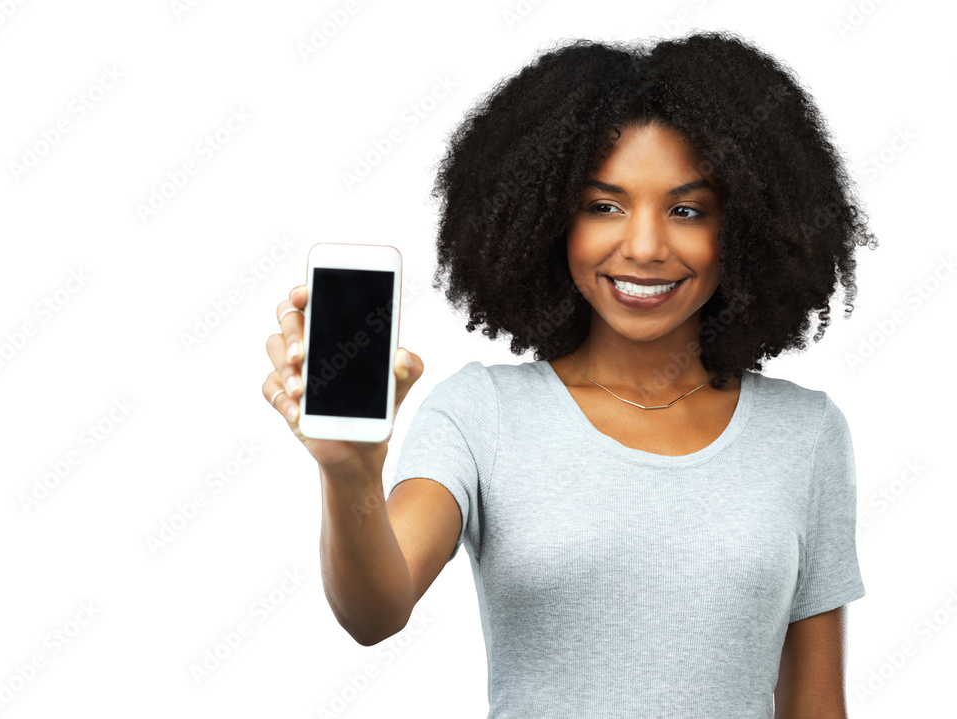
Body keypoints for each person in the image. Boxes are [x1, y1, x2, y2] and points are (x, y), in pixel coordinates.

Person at [262, 30, 876, 718]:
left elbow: (817, 706)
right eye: (604, 205)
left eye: (687, 210)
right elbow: (375, 609)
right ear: (548, 218)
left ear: (747, 228)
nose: (643, 246)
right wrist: (350, 475)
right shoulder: (481, 413)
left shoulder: (807, 433)